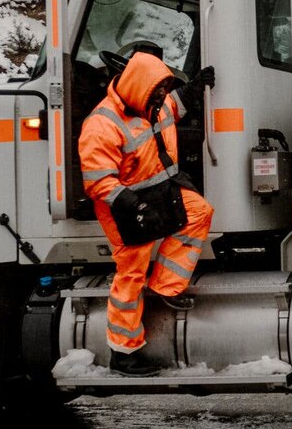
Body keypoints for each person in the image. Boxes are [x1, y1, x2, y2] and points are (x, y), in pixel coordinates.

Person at [78, 49, 215, 377]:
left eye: (162, 91)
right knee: (131, 268)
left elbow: (174, 105)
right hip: (121, 204)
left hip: (157, 194)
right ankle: (123, 353)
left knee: (199, 211)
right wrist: (131, 205)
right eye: (156, 92)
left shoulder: (154, 103)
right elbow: (97, 181)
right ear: (139, 88)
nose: (161, 99)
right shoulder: (102, 123)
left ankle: (165, 289)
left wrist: (194, 87)